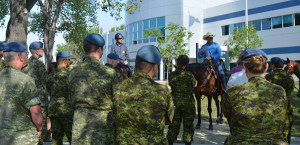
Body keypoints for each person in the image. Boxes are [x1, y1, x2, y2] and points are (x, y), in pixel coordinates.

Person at [223, 49, 289, 144]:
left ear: (245, 68)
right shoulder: (279, 91)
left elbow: (228, 114)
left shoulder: (233, 92)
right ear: (266, 67)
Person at [113, 45, 175, 145]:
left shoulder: (118, 87)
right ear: (155, 67)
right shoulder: (162, 91)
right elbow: (169, 118)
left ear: (136, 64)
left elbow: (113, 117)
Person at [68, 33, 121, 145]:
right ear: (99, 49)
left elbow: (70, 99)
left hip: (80, 125)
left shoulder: (73, 73)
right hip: (104, 125)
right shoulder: (110, 73)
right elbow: (118, 101)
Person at [0, 42, 43, 144]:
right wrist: (40, 128)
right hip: (22, 137)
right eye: (26, 54)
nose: (27, 57)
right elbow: (36, 112)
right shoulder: (26, 81)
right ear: (21, 57)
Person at [22, 41, 48, 145]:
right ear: (37, 52)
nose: (43, 51)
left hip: (27, 101)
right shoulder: (39, 64)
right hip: (40, 101)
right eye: (42, 49)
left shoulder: (25, 63)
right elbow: (46, 81)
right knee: (40, 129)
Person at [167, 55, 196, 145]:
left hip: (175, 103)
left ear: (177, 63)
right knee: (188, 126)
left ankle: (170, 142)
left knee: (173, 126)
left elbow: (171, 84)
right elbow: (193, 84)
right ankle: (187, 142)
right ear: (186, 64)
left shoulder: (171, 75)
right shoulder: (189, 75)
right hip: (188, 103)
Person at [265, 57, 294, 144]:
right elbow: (291, 90)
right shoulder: (289, 77)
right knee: (286, 134)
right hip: (287, 108)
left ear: (273, 66)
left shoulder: (269, 77)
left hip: (272, 109)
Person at [47, 51, 73, 145]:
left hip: (54, 110)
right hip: (67, 111)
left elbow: (48, 92)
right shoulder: (70, 75)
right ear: (65, 61)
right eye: (69, 60)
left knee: (56, 139)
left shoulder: (50, 76)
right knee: (72, 138)